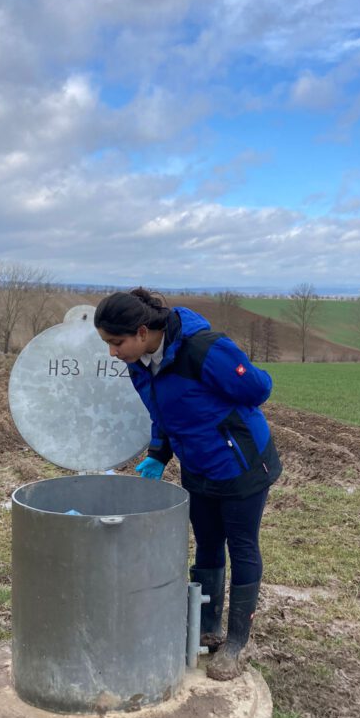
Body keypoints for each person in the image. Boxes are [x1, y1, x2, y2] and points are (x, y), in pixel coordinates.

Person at [94, 287, 282, 680]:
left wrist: (222, 415)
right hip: (197, 466)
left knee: (241, 546)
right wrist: (158, 453)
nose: (112, 352)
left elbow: (258, 389)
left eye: (116, 342)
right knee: (207, 544)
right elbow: (161, 412)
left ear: (142, 332)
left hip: (241, 464)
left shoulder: (205, 350)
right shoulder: (139, 363)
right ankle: (208, 627)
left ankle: (236, 643)